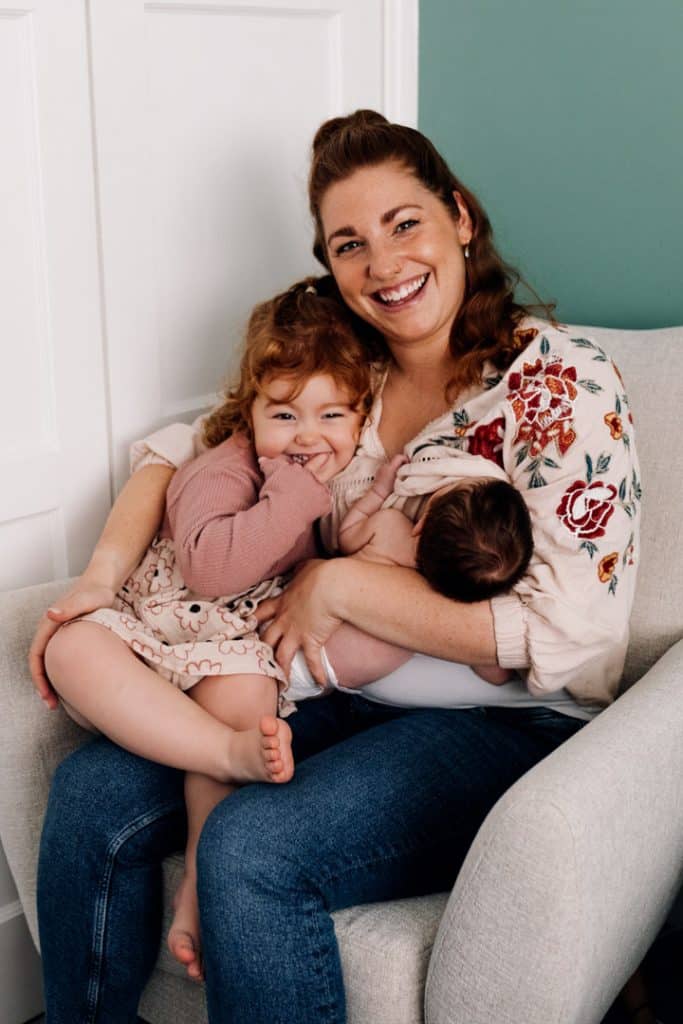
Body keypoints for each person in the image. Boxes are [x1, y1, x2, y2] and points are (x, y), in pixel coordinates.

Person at [31, 109, 641, 1022]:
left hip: (504, 726)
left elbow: (577, 634)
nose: (383, 264)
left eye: (405, 223)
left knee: (249, 847)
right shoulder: (343, 368)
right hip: (318, 695)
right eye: (349, 243)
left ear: (460, 219)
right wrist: (98, 582)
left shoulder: (555, 381)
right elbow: (173, 452)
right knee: (89, 794)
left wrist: (344, 583)